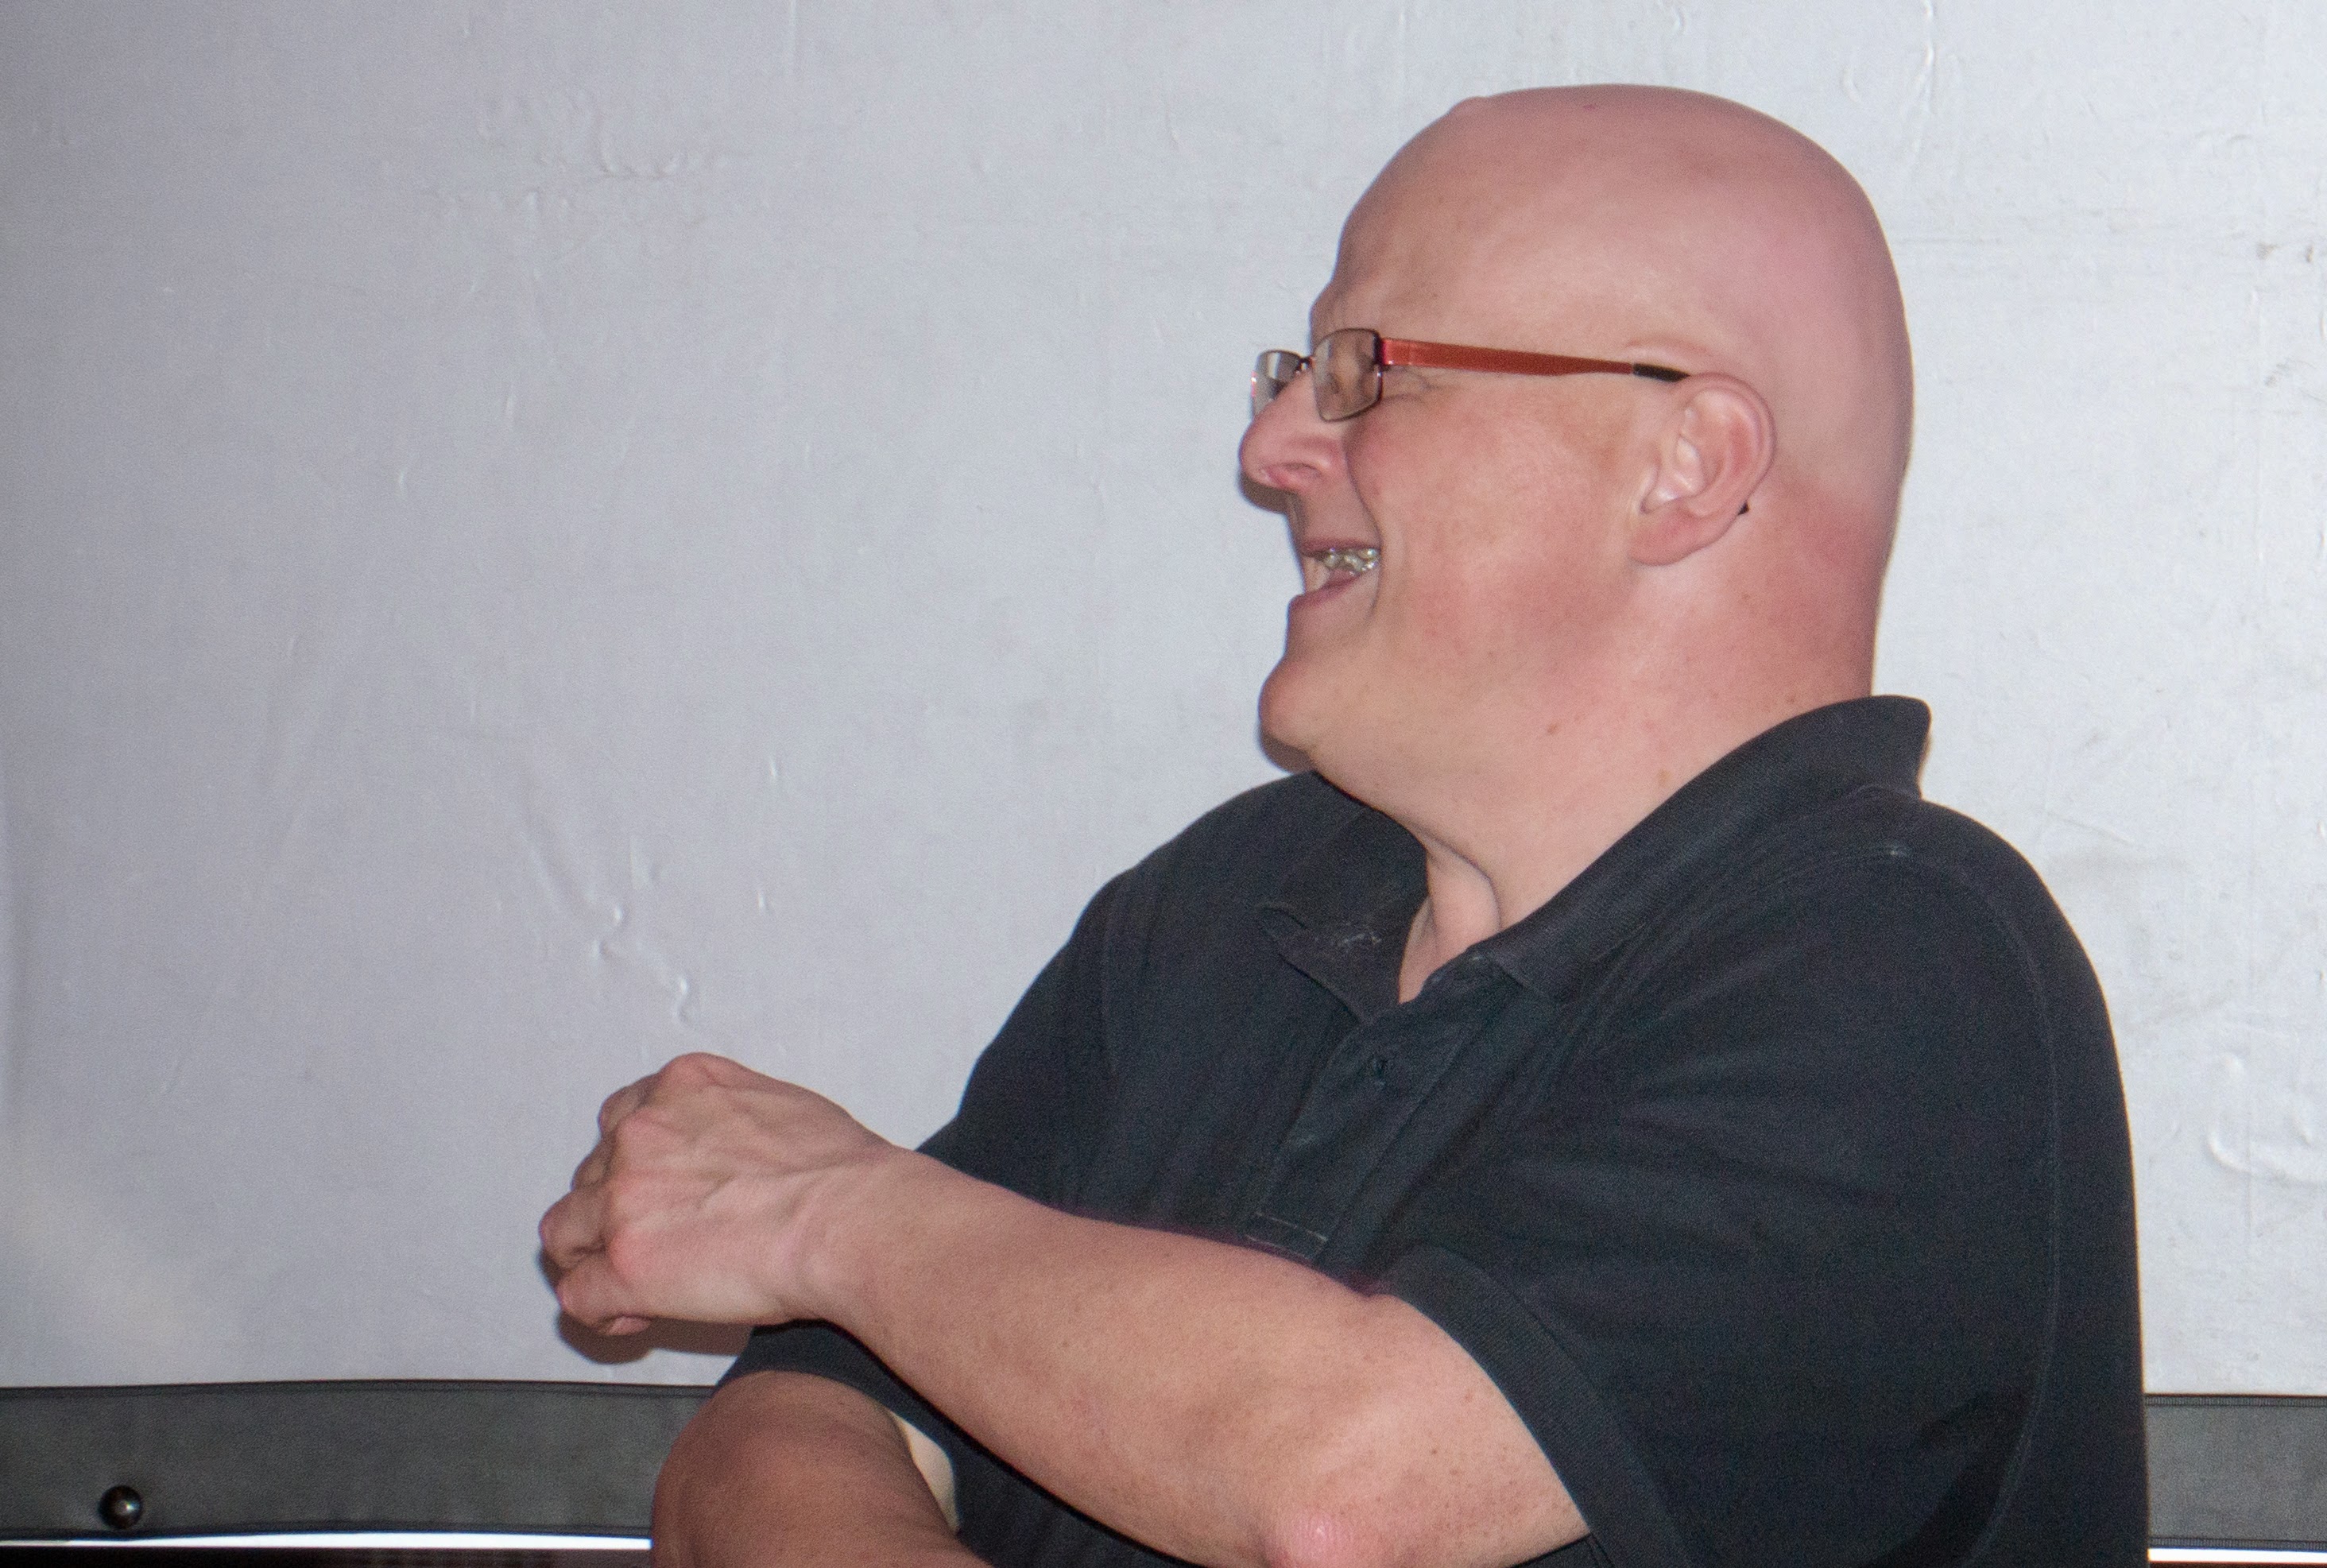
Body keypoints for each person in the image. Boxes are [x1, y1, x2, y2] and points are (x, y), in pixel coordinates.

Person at [540, 85, 2147, 1566]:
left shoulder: (1906, 961)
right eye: (1292, 375)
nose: (1271, 450)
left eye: (1367, 371)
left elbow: (1355, 1482)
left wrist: (828, 1207)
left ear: (1685, 465)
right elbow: (783, 1434)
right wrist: (845, 1263)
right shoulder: (1226, 906)